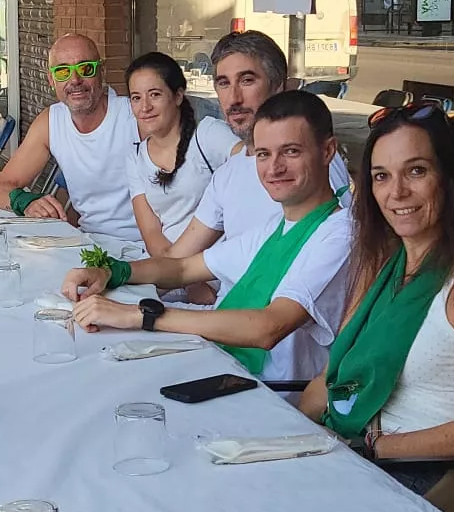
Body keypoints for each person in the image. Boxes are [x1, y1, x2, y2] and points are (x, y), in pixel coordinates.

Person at [295, 103, 454, 512]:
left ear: (449, 178)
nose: (396, 192)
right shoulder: (382, 262)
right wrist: (279, 436)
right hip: (355, 454)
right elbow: (330, 380)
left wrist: (372, 447)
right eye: (381, 176)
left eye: (416, 171)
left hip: (426, 473)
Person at [60, 91, 353, 381]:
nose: (274, 168)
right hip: (224, 365)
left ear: (327, 151)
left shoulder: (340, 233)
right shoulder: (278, 226)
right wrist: (111, 272)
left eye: (291, 151)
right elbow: (183, 268)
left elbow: (268, 328)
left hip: (266, 391)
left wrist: (140, 315)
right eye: (264, 154)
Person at [164, 31, 353, 257]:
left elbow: (343, 249)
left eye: (247, 81)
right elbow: (178, 260)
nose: (234, 98)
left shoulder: (309, 163)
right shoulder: (227, 174)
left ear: (278, 86)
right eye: (224, 83)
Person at [0, 33, 144, 243]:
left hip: (144, 246)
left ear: (102, 71)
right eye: (63, 72)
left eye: (85, 68)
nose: (75, 80)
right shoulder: (50, 122)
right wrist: (25, 202)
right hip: (90, 243)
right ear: (51, 80)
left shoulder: (136, 115)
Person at [124, 51, 240, 255]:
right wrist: (173, 270)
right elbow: (151, 234)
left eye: (155, 94)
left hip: (217, 263)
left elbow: (253, 166)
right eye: (136, 98)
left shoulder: (208, 134)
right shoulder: (136, 157)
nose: (145, 107)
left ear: (178, 96)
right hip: (169, 265)